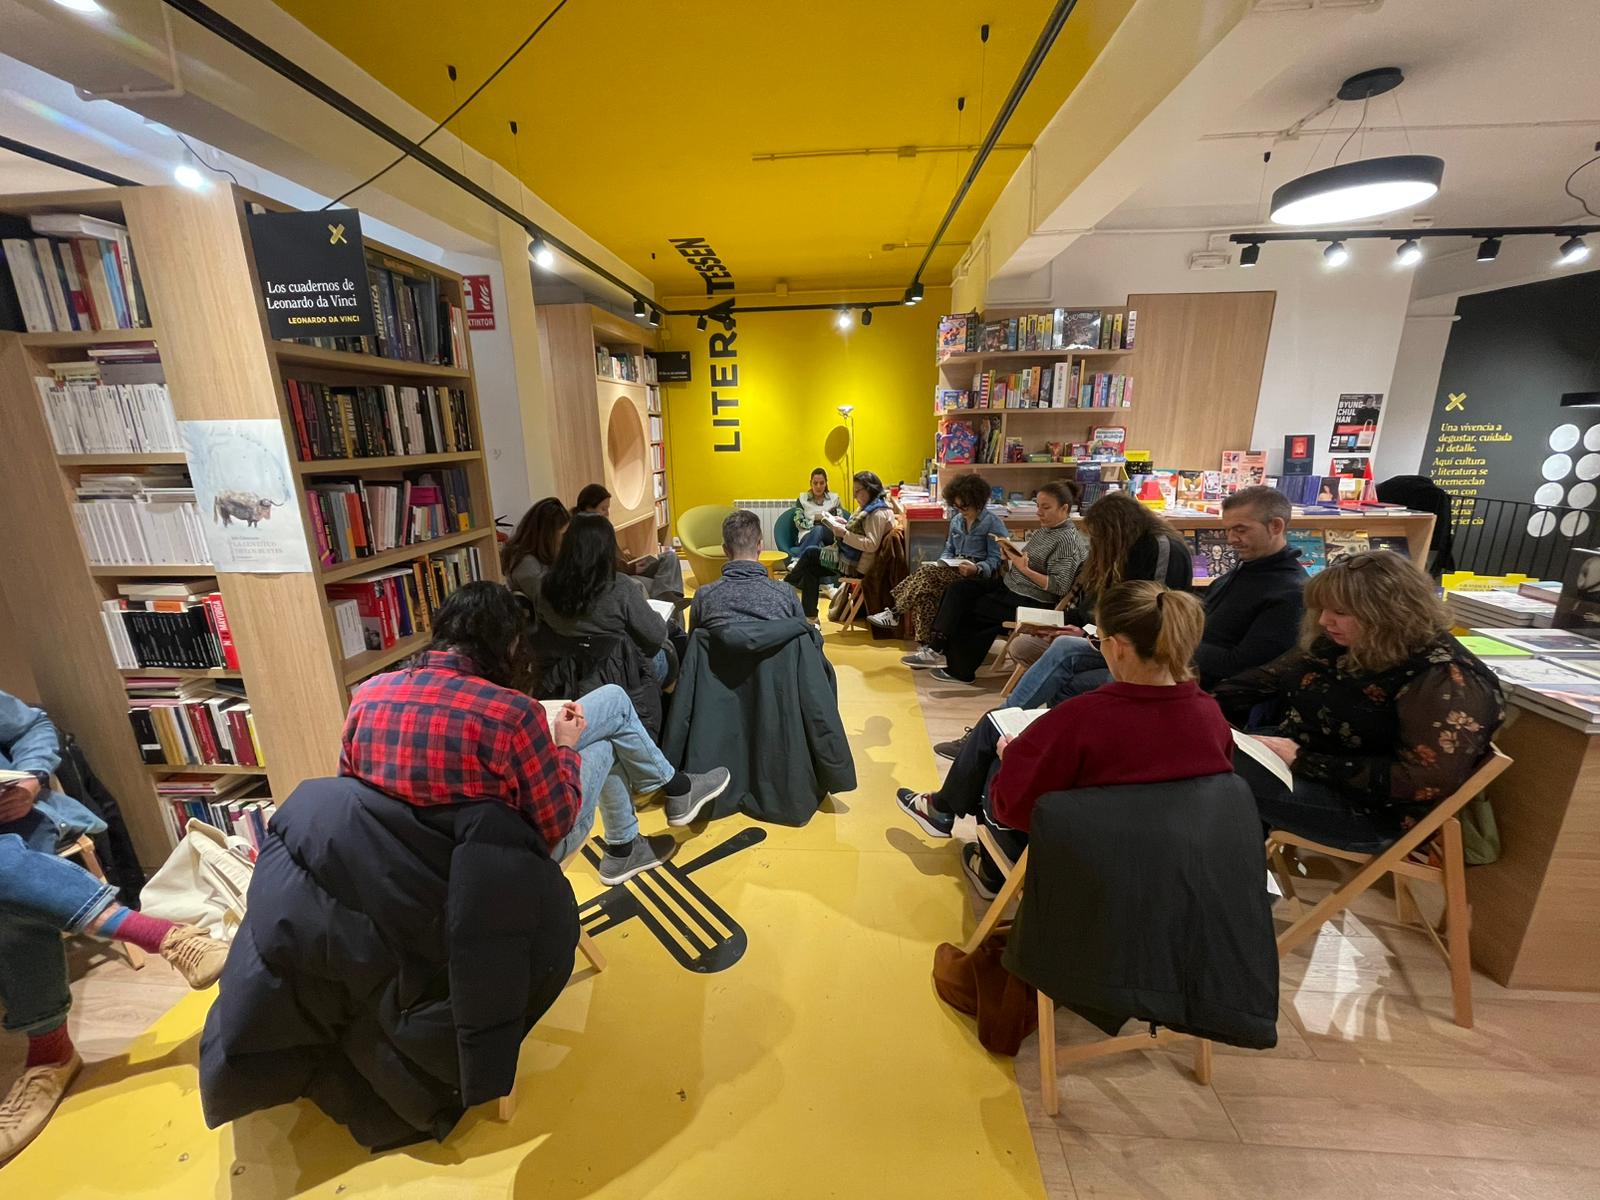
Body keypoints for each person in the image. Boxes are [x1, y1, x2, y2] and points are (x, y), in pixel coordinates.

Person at [340, 582, 730, 887]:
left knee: (610, 704)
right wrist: (564, 748)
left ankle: (642, 826)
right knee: (609, 732)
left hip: (405, 865)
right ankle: (654, 812)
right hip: (503, 863)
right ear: (507, 643)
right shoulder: (510, 714)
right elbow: (555, 821)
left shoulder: (369, 695)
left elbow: (351, 797)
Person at [1, 690, 228, 1163]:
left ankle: (51, 1053)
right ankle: (165, 935)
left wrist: (31, 779)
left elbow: (35, 728)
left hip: (14, 827)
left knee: (7, 879)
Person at [895, 581, 1232, 897]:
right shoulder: (1211, 717)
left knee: (998, 747)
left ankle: (987, 866)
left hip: (1078, 859)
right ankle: (941, 809)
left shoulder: (1084, 716)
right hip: (1164, 870)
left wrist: (1010, 757)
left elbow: (1013, 808)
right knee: (998, 731)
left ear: (1117, 648)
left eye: (1098, 641)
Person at [1215, 551, 1505, 852]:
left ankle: (1221, 878)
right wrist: (1193, 705)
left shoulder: (1446, 679)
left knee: (1209, 771)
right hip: (1314, 763)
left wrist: (1305, 761)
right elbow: (1267, 678)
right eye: (1323, 608)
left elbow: (1422, 779)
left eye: (1340, 611)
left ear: (1389, 612)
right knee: (1200, 750)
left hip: (1373, 812)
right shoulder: (1349, 641)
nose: (1325, 620)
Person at [983, 484, 1305, 731]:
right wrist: (1092, 632)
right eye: (1228, 529)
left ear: (1276, 526)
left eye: (1241, 530)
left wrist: (1173, 644)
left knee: (1066, 680)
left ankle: (1047, 740)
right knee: (1065, 647)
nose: (1231, 539)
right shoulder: (1243, 572)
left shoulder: (1287, 592)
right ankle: (996, 727)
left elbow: (1238, 663)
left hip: (1176, 672)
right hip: (1157, 651)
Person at [913, 480, 1088, 683]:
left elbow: (1059, 585)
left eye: (1046, 507)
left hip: (1031, 598)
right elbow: (1029, 562)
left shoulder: (1066, 540)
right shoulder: (1045, 530)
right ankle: (936, 646)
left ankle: (959, 670)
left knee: (973, 608)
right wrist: (1011, 557)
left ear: (1064, 508)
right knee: (958, 589)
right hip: (1012, 585)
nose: (1039, 512)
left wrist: (1023, 568)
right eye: (1038, 506)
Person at [534, 513, 674, 736]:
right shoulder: (620, 587)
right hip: (619, 675)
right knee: (669, 650)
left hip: (565, 677)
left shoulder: (545, 588)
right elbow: (655, 636)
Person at [866, 472, 1005, 647]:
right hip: (955, 570)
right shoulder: (956, 521)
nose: (962, 512)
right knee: (925, 590)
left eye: (965, 508)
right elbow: (949, 549)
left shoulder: (993, 523)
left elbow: (995, 559)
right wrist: (943, 562)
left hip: (978, 576)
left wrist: (977, 568)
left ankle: (895, 612)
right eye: (958, 507)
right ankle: (926, 646)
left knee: (926, 574)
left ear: (979, 503)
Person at [784, 470, 897, 622]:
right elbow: (861, 530)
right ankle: (810, 617)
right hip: (851, 557)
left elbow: (871, 544)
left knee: (811, 554)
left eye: (858, 491)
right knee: (811, 567)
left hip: (857, 565)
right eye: (854, 491)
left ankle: (789, 583)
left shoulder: (876, 513)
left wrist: (844, 533)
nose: (855, 495)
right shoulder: (870, 507)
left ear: (869, 489)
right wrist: (844, 523)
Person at [689, 509, 805, 629]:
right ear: (760, 546)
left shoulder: (704, 597)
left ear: (725, 550)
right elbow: (802, 638)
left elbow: (694, 644)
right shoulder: (785, 594)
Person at [574, 483, 686, 606]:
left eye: (608, 508)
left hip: (628, 566)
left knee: (670, 557)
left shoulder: (604, 526)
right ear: (589, 508)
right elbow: (604, 565)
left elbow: (616, 554)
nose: (607, 513)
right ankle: (667, 601)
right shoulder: (585, 532)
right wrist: (632, 568)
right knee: (654, 586)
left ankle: (666, 598)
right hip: (621, 573)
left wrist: (634, 560)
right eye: (603, 509)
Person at [502, 496, 571, 609]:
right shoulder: (526, 564)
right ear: (548, 535)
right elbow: (551, 603)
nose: (566, 539)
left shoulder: (539, 556)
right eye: (563, 534)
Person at [790, 466, 847, 560]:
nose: (818, 486)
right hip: (807, 534)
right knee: (818, 538)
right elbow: (798, 522)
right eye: (815, 483)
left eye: (821, 483)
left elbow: (841, 521)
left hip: (830, 534)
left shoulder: (835, 499)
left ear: (826, 483)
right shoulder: (802, 499)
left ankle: (798, 560)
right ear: (810, 483)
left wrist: (830, 520)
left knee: (820, 529)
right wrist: (815, 519)